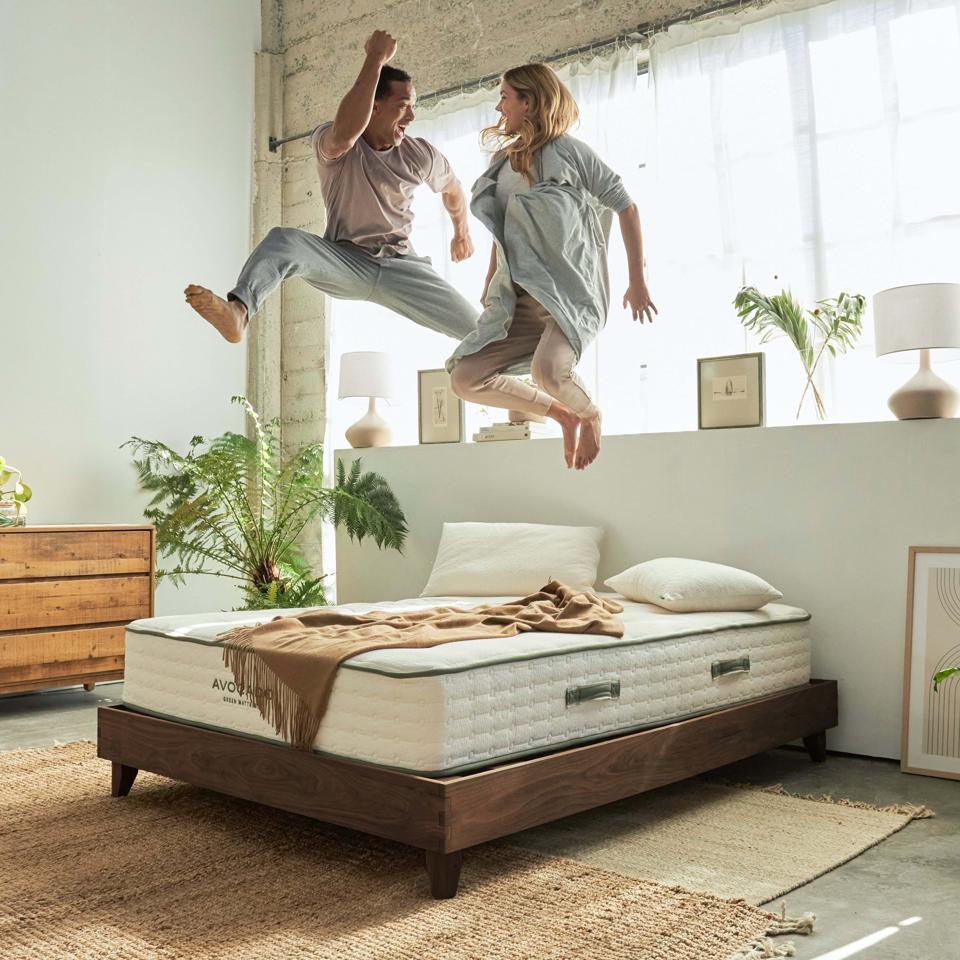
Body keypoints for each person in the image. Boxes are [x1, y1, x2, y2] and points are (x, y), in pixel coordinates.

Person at [185, 30, 478, 346]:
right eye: (403, 105)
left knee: (483, 331)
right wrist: (375, 58)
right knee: (283, 240)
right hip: (345, 261)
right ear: (374, 107)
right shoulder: (335, 142)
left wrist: (462, 233)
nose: (412, 115)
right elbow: (344, 137)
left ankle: (531, 378)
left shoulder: (418, 154)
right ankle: (238, 311)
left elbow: (453, 190)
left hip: (402, 266)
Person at [448, 63, 657, 470]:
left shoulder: (571, 152)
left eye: (505, 97)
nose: (499, 106)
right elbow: (502, 228)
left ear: (528, 102)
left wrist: (637, 281)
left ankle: (589, 413)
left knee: (549, 371)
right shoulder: (501, 163)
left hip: (568, 296)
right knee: (464, 377)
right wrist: (492, 279)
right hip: (519, 300)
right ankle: (561, 414)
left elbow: (627, 207)